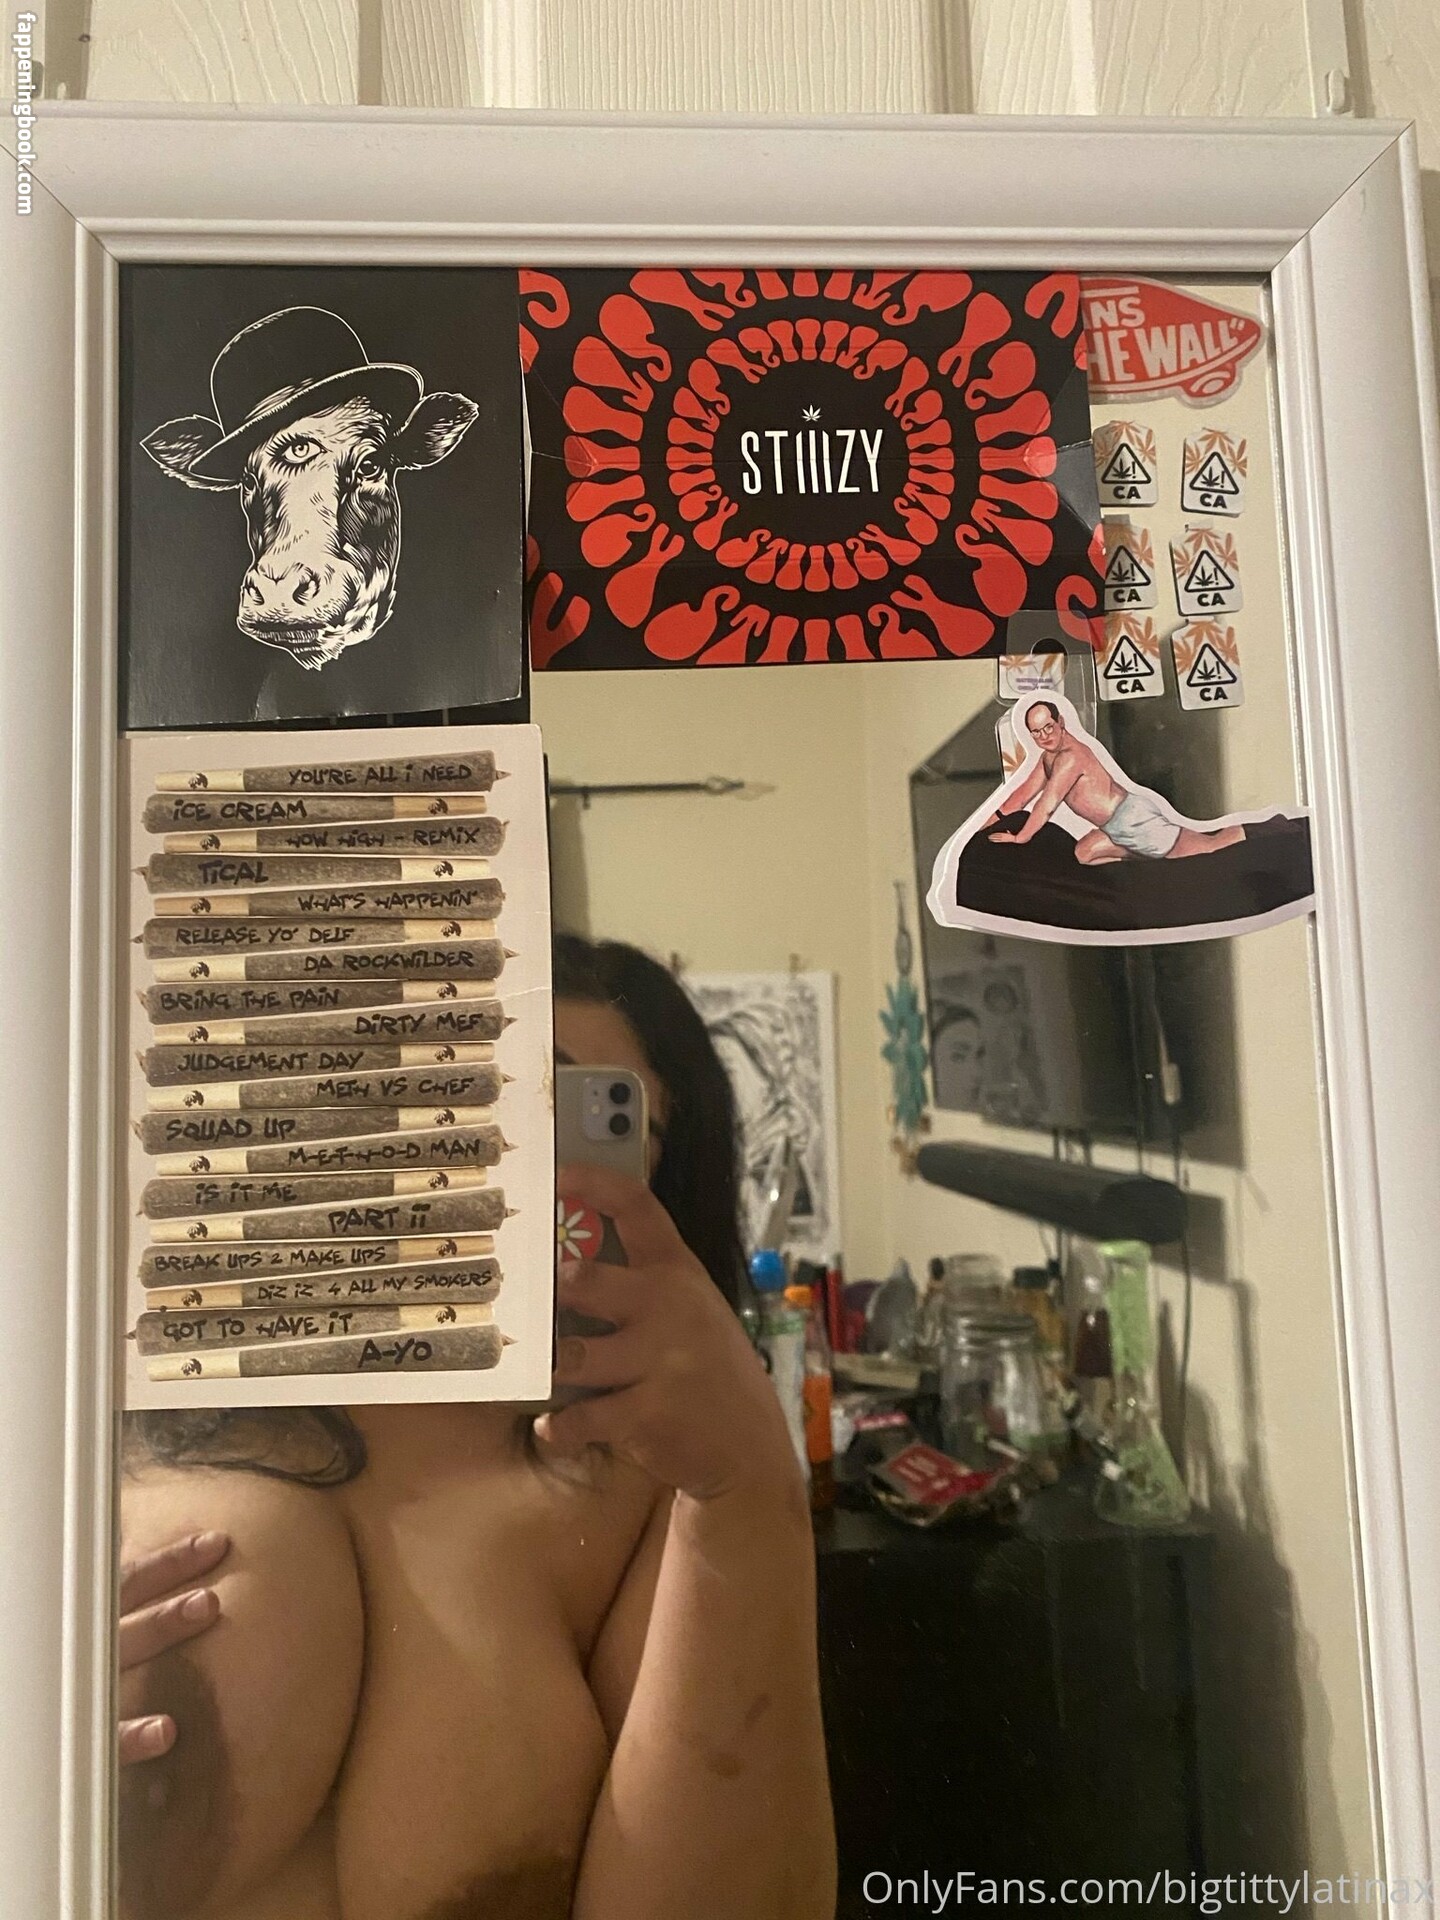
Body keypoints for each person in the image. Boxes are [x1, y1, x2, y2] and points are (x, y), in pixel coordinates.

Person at [118, 934, 836, 1920]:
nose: (528, 1154)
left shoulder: (652, 1499)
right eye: (495, 1088)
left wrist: (752, 1484)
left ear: (659, 1187)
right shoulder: (117, 1392)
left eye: (589, 1120)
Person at [987, 699, 1245, 865]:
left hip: (1132, 819)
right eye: (1036, 732)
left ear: (1061, 722)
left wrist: (1021, 838)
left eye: (1049, 727)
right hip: (1114, 828)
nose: (1044, 736)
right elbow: (1021, 796)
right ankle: (1146, 854)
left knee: (1205, 848)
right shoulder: (1048, 758)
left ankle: (1251, 831)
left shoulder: (1070, 756)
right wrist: (982, 825)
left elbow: (1046, 805)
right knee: (1084, 853)